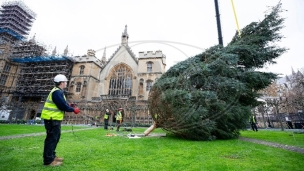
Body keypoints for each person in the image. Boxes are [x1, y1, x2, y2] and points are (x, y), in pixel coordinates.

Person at [41, 74, 80, 166]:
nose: (66, 83)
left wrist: (70, 106)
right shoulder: (57, 92)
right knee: (51, 139)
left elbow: (62, 103)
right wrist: (73, 110)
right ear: (61, 83)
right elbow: (61, 106)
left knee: (55, 138)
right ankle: (48, 160)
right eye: (65, 82)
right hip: (51, 119)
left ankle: (52, 156)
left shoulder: (58, 91)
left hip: (54, 119)